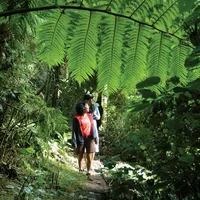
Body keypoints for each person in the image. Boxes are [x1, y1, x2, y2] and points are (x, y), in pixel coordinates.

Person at [71, 101, 97, 176]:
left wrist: (95, 137)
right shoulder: (76, 118)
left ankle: (88, 170)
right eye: (86, 106)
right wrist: (74, 141)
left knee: (90, 153)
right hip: (81, 137)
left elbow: (93, 126)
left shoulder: (89, 115)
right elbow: (74, 130)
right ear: (83, 109)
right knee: (80, 154)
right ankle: (80, 168)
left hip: (90, 137)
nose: (88, 107)